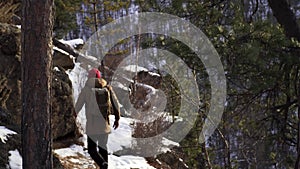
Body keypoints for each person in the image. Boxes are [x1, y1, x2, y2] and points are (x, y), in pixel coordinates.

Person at [75, 68, 121, 169]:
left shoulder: (86, 89)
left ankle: (102, 164)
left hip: (92, 125)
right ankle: (105, 166)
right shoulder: (107, 88)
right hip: (104, 124)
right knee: (103, 148)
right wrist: (117, 119)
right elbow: (116, 105)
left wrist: (73, 117)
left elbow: (78, 105)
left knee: (92, 150)